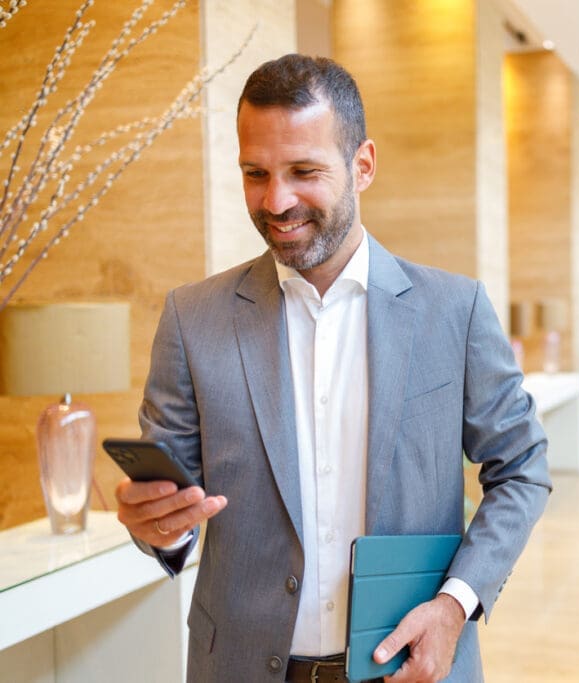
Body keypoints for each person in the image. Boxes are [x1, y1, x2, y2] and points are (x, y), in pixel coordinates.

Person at [114, 54, 551, 683]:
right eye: (255, 173)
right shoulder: (192, 319)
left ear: (363, 164)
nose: (276, 200)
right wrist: (158, 527)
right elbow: (173, 509)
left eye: (304, 171)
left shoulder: (454, 313)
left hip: (409, 667)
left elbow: (522, 469)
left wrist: (457, 603)